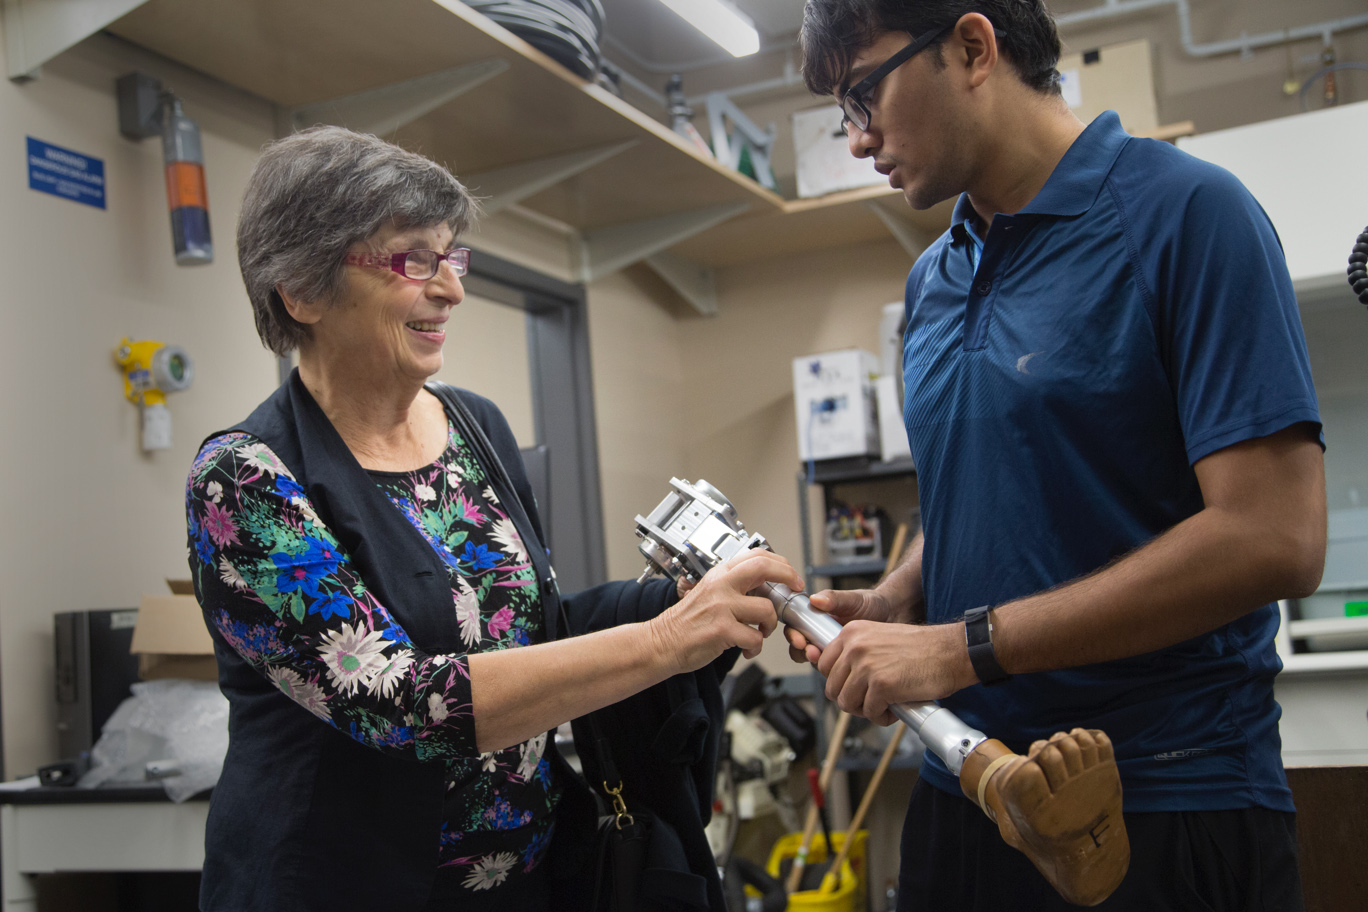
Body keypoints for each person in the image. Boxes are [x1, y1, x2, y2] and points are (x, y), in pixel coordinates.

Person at [788, 2, 1326, 910]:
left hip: (1163, 795)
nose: (855, 139)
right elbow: (983, 484)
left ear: (971, 47)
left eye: (863, 94)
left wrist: (962, 649)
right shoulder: (935, 276)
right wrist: (901, 597)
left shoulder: (1191, 215)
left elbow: (1274, 537)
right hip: (966, 786)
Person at [185, 125, 801, 912]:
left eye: (451, 256)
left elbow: (524, 634)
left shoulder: (474, 426)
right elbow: (402, 701)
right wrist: (661, 642)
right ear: (301, 290)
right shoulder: (245, 480)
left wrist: (683, 605)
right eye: (413, 259)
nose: (451, 289)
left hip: (527, 882)